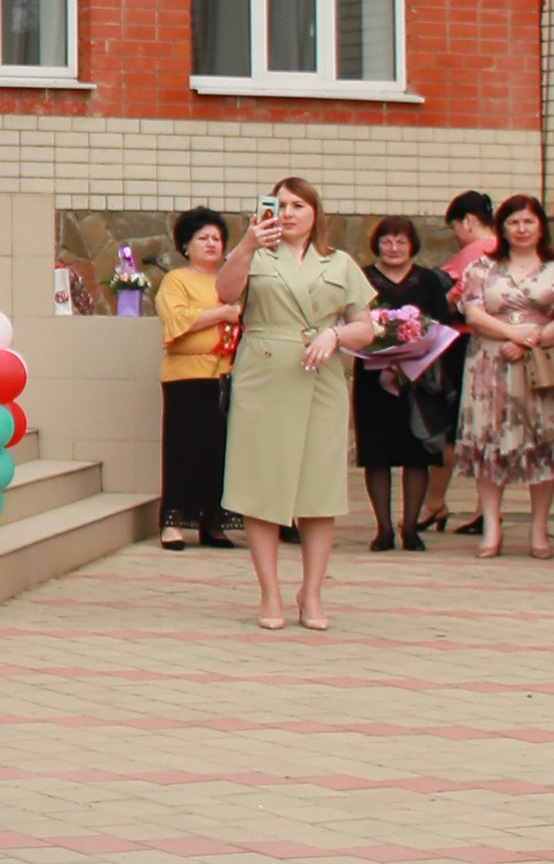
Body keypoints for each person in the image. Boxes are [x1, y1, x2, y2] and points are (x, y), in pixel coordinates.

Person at [217, 178, 386, 631]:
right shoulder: (256, 256)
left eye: (299, 205)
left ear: (316, 212)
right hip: (265, 375)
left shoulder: (338, 262)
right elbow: (225, 293)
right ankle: (269, 592)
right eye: (282, 204)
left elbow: (366, 327)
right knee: (262, 487)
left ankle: (310, 593)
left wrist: (335, 333)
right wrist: (247, 244)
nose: (288, 213)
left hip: (320, 375)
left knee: (318, 491)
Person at [453, 192, 554, 556]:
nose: (522, 228)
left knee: (542, 444)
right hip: (489, 365)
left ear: (541, 225)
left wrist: (531, 341)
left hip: (540, 365)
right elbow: (474, 313)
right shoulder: (482, 266)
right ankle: (491, 528)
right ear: (502, 228)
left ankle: (539, 530)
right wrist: (513, 335)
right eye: (514, 222)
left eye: (529, 221)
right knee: (488, 442)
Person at [354, 218, 453, 553]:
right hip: (373, 379)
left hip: (418, 379)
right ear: (376, 244)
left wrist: (415, 348)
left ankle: (410, 528)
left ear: (412, 245)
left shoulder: (427, 280)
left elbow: (440, 322)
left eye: (400, 242)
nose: (394, 248)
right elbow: (350, 318)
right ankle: (383, 528)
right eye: (387, 242)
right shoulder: (363, 278)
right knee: (377, 453)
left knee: (417, 453)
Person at [153, 209, 239, 548]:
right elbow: (176, 320)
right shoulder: (177, 280)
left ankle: (212, 521)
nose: (211, 244)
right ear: (186, 245)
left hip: (225, 375)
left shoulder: (231, 280)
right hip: (185, 377)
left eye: (217, 238)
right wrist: (221, 313)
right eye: (203, 238)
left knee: (219, 452)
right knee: (183, 449)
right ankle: (173, 522)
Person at [438, 191, 506, 533]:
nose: (456, 234)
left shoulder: (474, 253)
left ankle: (436, 503)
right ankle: (486, 510)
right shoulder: (504, 249)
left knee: (460, 428)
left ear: (467, 221)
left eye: (455, 226)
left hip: (467, 342)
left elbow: (450, 300)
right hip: (503, 342)